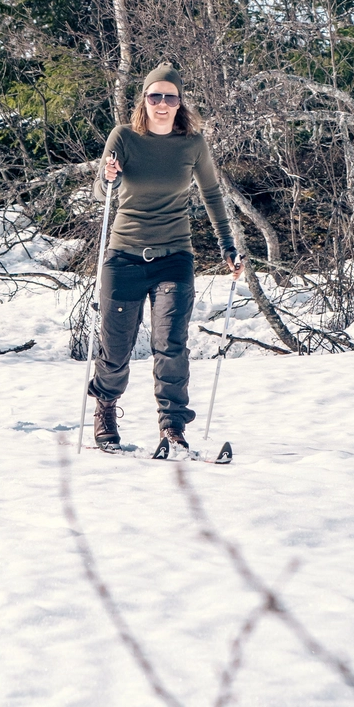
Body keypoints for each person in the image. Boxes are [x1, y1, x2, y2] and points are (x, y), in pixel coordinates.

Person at [89, 63, 243, 453]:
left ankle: (172, 426)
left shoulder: (192, 144)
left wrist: (227, 244)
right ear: (144, 100)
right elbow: (100, 193)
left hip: (174, 256)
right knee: (115, 349)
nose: (162, 103)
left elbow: (212, 194)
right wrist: (108, 177)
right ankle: (105, 409)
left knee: (171, 344)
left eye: (169, 97)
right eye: (155, 96)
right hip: (124, 257)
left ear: (180, 102)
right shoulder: (123, 137)